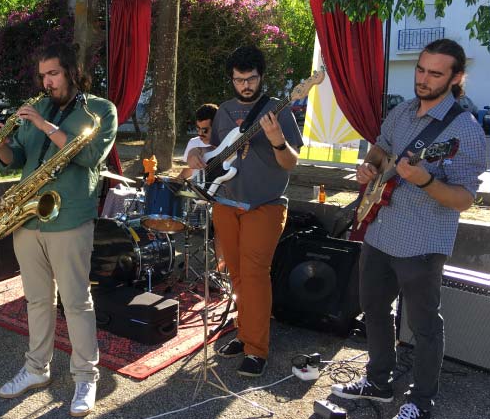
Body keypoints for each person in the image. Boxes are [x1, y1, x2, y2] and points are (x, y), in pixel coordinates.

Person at [331, 39, 486, 419]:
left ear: (456, 78)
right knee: (373, 309)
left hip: (422, 240)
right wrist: (370, 168)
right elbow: (380, 150)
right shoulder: (401, 112)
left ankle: (420, 401)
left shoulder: (465, 131)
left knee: (424, 325)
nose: (423, 79)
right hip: (381, 229)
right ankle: (378, 382)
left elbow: (464, 199)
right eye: (420, 69)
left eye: (435, 73)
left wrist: (425, 180)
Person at [0, 43, 117, 417]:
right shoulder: (39, 106)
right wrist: (1, 146)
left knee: (75, 302)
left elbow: (89, 156)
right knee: (37, 300)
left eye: (54, 74)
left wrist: (46, 126)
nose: (47, 82)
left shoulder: (100, 110)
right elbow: (19, 158)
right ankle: (36, 368)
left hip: (70, 217)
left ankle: (85, 377)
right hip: (28, 217)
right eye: (43, 75)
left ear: (73, 72)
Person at [187, 44, 303, 377]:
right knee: (236, 275)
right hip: (225, 203)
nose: (245, 85)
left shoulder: (279, 110)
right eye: (239, 80)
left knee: (254, 276)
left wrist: (277, 139)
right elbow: (218, 150)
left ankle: (256, 349)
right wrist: (197, 155)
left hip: (263, 205)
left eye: (251, 79)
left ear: (261, 77)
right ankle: (244, 333)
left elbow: (290, 162)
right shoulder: (224, 110)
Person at [178, 103, 218, 180]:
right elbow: (188, 171)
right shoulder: (193, 142)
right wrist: (175, 182)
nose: (200, 133)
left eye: (204, 130)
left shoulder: (226, 141)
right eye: (198, 128)